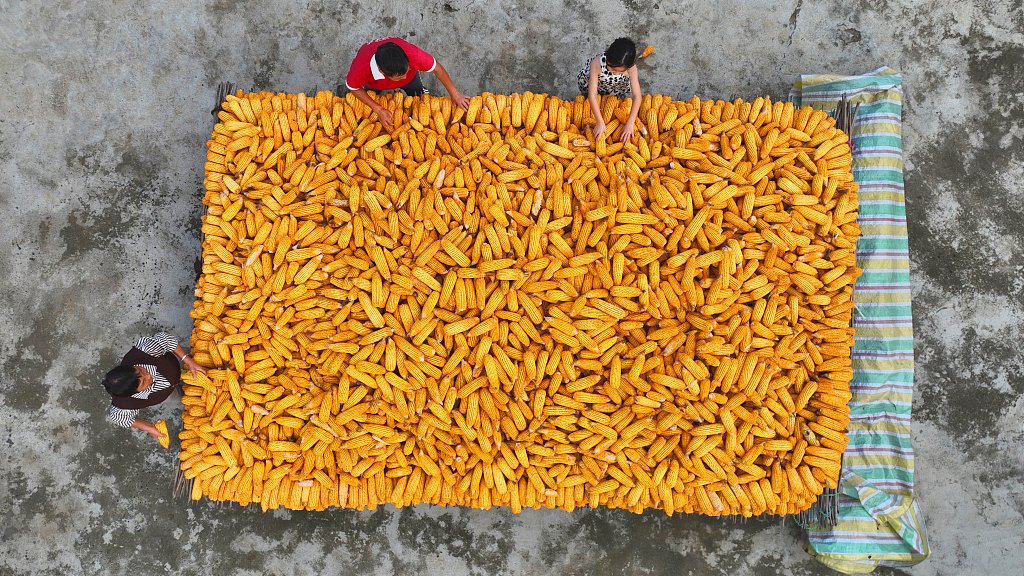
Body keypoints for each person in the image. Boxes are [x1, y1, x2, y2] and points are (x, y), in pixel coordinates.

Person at [344, 37, 470, 130]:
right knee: (371, 97)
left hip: (409, 78)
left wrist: (455, 93)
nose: (404, 76)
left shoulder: (413, 55)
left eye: (406, 70)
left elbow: (438, 69)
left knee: (420, 95)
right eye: (400, 77)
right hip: (373, 83)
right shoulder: (361, 70)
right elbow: (353, 88)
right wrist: (378, 109)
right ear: (382, 72)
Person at [103, 332, 206, 445]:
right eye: (143, 382)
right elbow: (119, 418)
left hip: (176, 362)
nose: (148, 376)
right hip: (166, 393)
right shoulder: (125, 403)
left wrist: (187, 360)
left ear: (132, 366)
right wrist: (149, 427)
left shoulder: (144, 350)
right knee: (181, 396)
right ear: (134, 393)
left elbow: (167, 340)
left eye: (141, 370)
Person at [576, 38, 642, 142]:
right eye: (613, 69)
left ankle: (612, 94)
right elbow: (592, 94)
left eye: (620, 71)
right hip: (599, 81)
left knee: (617, 92)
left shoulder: (631, 69)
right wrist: (599, 121)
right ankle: (582, 92)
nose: (615, 73)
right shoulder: (597, 63)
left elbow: (637, 96)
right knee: (587, 87)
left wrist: (630, 122)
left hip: (616, 85)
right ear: (608, 58)